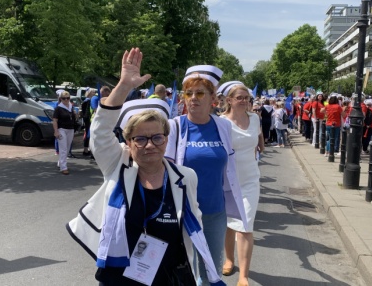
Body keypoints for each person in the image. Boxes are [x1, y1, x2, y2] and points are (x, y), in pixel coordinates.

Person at [66, 48, 224, 286]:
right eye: (140, 139)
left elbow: (193, 229)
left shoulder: (185, 177)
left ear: (166, 139)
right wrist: (124, 85)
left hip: (170, 276)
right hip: (121, 275)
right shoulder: (118, 165)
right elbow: (99, 132)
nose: (149, 145)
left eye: (157, 137)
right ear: (128, 142)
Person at [165, 65, 247, 286]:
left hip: (214, 212)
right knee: (182, 271)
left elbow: (229, 166)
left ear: (213, 98)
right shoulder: (175, 127)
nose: (193, 98)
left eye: (200, 93)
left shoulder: (223, 126)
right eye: (188, 93)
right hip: (183, 214)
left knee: (210, 273)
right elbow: (165, 169)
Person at [219, 82, 262, 286]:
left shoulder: (255, 118)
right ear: (229, 100)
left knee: (245, 226)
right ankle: (229, 260)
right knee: (229, 225)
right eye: (240, 98)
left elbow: (256, 142)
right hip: (227, 181)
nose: (245, 101)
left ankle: (243, 275)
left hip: (250, 180)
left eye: (247, 98)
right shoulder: (221, 122)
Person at [52, 91, 76, 175]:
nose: (66, 100)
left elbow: (73, 118)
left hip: (70, 129)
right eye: (64, 98)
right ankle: (63, 167)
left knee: (68, 147)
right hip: (62, 129)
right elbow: (55, 120)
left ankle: (60, 162)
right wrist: (56, 131)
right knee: (63, 148)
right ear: (60, 99)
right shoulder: (58, 108)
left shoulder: (71, 107)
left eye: (68, 98)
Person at [81, 87, 96, 156]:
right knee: (88, 134)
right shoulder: (88, 101)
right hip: (88, 120)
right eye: (93, 92)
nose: (94, 93)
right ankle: (86, 149)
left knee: (87, 133)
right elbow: (87, 112)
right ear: (90, 93)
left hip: (86, 119)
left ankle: (86, 149)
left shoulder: (85, 101)